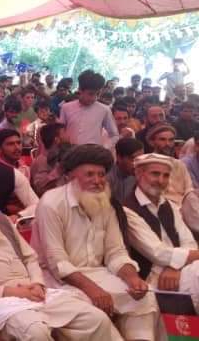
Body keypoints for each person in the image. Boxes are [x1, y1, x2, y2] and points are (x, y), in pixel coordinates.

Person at [0, 167, 119, 340]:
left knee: (95, 319)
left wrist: (37, 283)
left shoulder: (1, 218)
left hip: (33, 291)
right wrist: (12, 292)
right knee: (35, 331)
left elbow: (30, 257)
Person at [31, 144, 157, 340]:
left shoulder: (105, 202)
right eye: (89, 174)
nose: (97, 181)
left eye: (101, 174)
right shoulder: (51, 203)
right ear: (71, 176)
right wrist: (93, 290)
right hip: (59, 282)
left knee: (145, 298)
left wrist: (132, 278)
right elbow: (57, 262)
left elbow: (116, 251)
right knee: (96, 316)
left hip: (98, 274)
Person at [113, 153, 199, 313]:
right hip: (152, 278)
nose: (161, 181)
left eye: (166, 176)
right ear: (139, 174)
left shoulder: (169, 205)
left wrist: (175, 267)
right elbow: (158, 253)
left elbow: (189, 242)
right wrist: (180, 262)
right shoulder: (127, 210)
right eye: (155, 174)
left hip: (177, 271)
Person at [59, 70, 118, 148]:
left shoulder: (104, 110)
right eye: (91, 94)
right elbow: (61, 131)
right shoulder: (66, 107)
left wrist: (104, 147)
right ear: (80, 90)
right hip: (70, 152)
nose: (94, 98)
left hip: (93, 153)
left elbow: (114, 135)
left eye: (98, 94)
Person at [29, 123, 67, 196]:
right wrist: (59, 170)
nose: (68, 137)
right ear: (57, 140)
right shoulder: (42, 161)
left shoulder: (59, 157)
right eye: (65, 133)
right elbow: (40, 189)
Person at [109, 138, 144, 204]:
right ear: (119, 158)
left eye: (140, 159)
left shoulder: (139, 175)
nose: (137, 164)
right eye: (133, 159)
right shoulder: (107, 178)